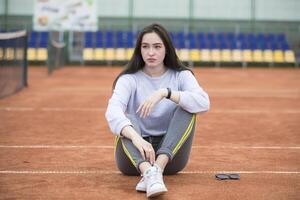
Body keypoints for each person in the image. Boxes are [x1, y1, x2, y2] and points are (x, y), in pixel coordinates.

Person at [105, 23, 210, 198]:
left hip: (170, 158)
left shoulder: (181, 76)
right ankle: (147, 172)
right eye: (145, 47)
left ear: (167, 49)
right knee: (127, 117)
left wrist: (165, 93)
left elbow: (204, 103)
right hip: (134, 158)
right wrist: (136, 138)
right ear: (139, 50)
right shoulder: (129, 79)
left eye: (157, 46)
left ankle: (156, 171)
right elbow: (112, 110)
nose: (151, 52)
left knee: (187, 107)